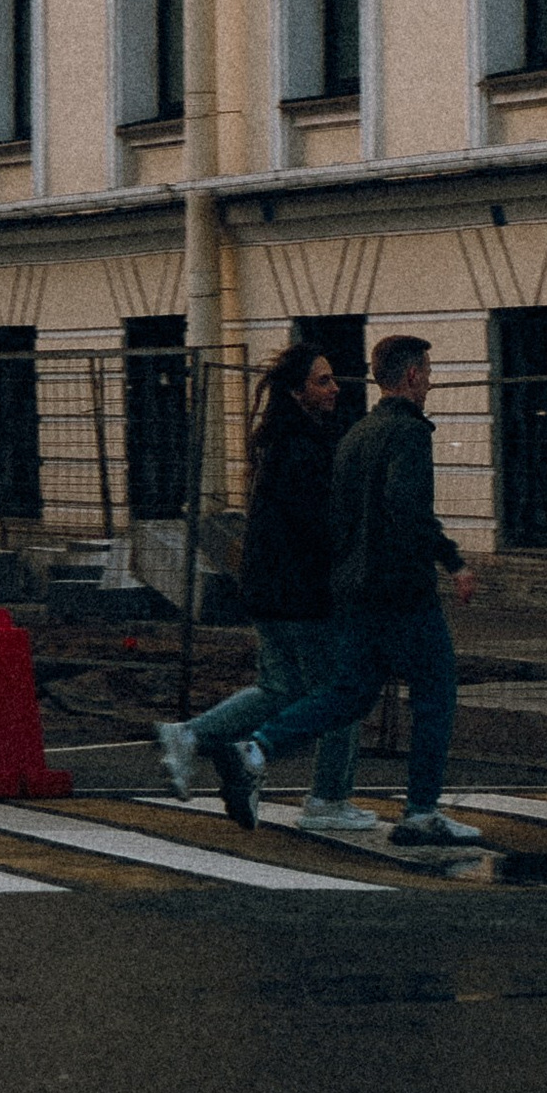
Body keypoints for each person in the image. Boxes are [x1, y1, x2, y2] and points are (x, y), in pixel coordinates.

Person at [216, 332, 487, 852]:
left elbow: (338, 516)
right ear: (410, 376)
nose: (429, 381)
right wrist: (451, 561)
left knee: (347, 695)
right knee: (436, 695)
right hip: (401, 591)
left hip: (353, 591)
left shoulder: (357, 434)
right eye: (426, 372)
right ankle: (422, 813)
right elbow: (406, 509)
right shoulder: (409, 434)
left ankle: (255, 750)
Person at [153, 342, 380, 837]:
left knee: (280, 688)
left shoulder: (283, 439)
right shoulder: (303, 446)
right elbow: (320, 526)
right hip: (302, 594)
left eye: (333, 378)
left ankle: (190, 735)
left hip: (269, 590)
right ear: (298, 391)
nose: (335, 387)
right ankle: (328, 798)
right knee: (343, 692)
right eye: (323, 380)